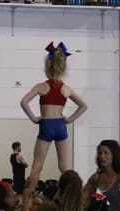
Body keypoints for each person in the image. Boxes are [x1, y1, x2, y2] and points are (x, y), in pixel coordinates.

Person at [20, 41, 87, 196]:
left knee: (37, 166)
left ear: (47, 67)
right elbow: (83, 106)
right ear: (62, 68)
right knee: (64, 167)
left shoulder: (41, 86)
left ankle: (27, 197)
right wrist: (69, 119)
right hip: (60, 125)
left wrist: (34, 118)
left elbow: (23, 102)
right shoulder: (66, 88)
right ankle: (74, 196)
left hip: (46, 125)